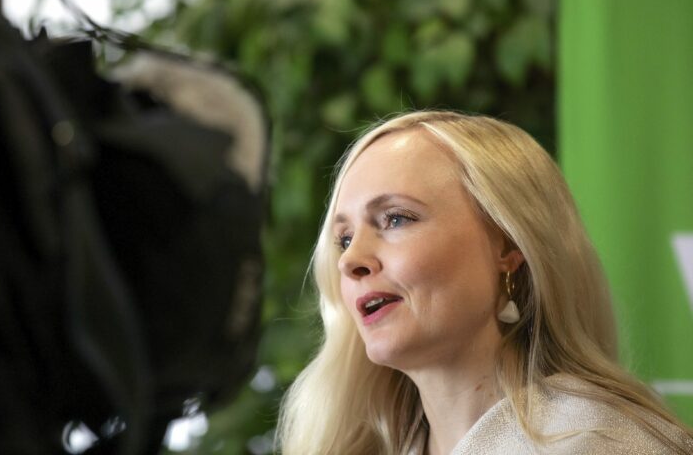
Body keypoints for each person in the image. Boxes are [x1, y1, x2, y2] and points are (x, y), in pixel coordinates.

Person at [276, 111, 693, 454]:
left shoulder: (605, 442)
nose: (350, 261)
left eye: (396, 219)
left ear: (509, 244)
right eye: (344, 238)